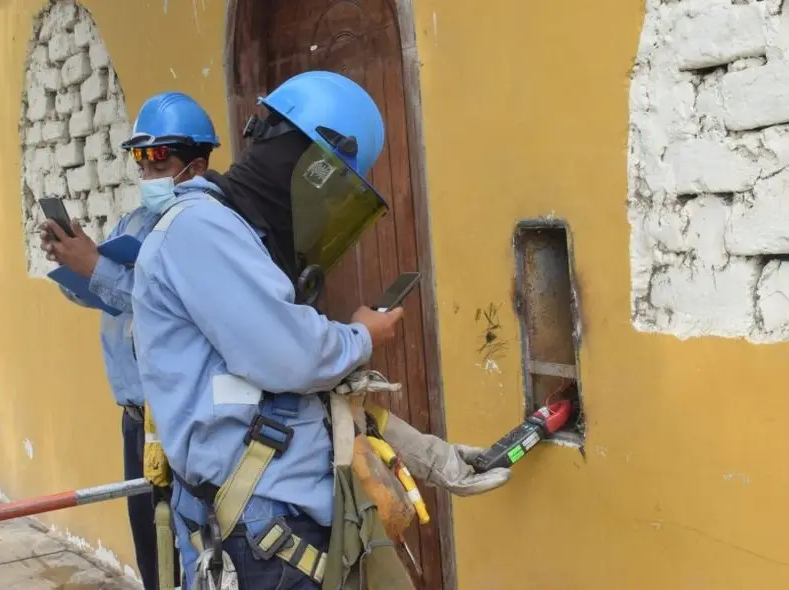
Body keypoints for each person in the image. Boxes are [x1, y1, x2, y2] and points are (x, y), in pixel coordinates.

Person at [130, 71, 512, 590]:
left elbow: (290, 385)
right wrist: (362, 336)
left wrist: (434, 457)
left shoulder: (230, 229)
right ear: (311, 167)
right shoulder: (201, 228)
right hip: (260, 527)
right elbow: (291, 359)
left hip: (273, 518)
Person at [40, 91, 221, 590]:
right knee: (150, 545)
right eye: (140, 162)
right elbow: (107, 296)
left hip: (182, 418)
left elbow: (167, 303)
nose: (147, 173)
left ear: (198, 164)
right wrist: (73, 264)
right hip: (136, 418)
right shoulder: (135, 223)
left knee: (191, 548)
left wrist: (95, 267)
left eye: (159, 161)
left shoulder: (205, 225)